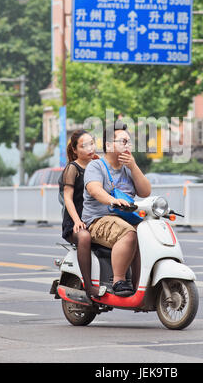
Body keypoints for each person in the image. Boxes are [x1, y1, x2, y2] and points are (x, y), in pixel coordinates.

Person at [82, 123, 151, 296]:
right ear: (108, 145)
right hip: (99, 219)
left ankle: (140, 283)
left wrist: (134, 167)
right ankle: (119, 280)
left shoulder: (129, 169)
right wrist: (113, 200)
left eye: (129, 142)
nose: (127, 146)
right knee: (129, 234)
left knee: (150, 234)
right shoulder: (96, 166)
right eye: (123, 141)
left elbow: (145, 191)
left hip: (126, 218)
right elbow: (94, 189)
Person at [61, 129, 106, 304]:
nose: (89, 148)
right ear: (74, 150)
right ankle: (89, 286)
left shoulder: (99, 166)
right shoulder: (73, 169)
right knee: (84, 237)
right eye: (83, 145)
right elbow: (67, 198)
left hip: (96, 219)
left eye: (91, 144)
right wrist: (77, 221)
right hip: (76, 224)